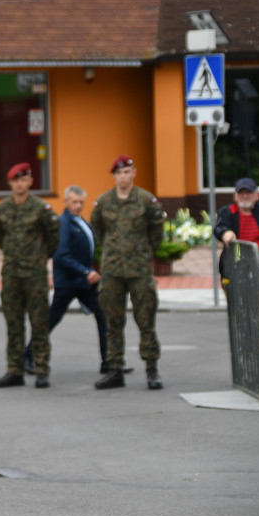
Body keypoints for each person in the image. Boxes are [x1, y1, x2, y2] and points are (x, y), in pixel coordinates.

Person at [23, 185, 118, 377]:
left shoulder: (80, 221)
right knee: (51, 320)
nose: (78, 205)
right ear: (66, 201)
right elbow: (61, 255)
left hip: (84, 283)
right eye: (74, 202)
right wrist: (85, 271)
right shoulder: (63, 224)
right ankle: (27, 355)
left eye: (81, 202)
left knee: (103, 316)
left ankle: (109, 362)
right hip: (68, 282)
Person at [92, 155, 166, 391]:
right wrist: (111, 253)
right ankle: (115, 369)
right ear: (113, 176)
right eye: (119, 173)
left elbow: (157, 233)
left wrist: (143, 253)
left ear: (134, 173)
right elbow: (97, 231)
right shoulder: (103, 202)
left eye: (127, 172)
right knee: (113, 322)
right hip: (113, 270)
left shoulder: (146, 201)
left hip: (139, 270)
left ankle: (152, 369)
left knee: (146, 321)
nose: (123, 177)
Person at [0, 163, 60, 389]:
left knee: (39, 322)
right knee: (13, 323)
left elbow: (54, 238)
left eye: (24, 180)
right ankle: (15, 370)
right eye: (16, 180)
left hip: (35, 274)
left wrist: (40, 257)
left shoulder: (41, 208)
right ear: (10, 183)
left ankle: (41, 369)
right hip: (11, 273)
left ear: (30, 182)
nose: (20, 184)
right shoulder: (2, 209)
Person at [214, 177, 259, 318]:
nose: (245, 196)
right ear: (235, 196)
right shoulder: (228, 212)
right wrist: (226, 233)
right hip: (238, 265)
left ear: (257, 195)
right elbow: (219, 227)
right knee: (242, 308)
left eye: (249, 192)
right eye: (241, 193)